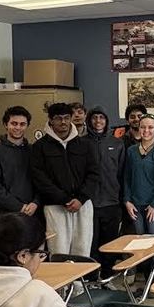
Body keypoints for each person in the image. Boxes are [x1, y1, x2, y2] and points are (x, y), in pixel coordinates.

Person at [30, 102, 99, 256]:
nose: (63, 122)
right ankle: (63, 281)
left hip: (83, 204)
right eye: (58, 118)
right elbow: (40, 178)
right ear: (50, 120)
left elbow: (94, 173)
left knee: (82, 249)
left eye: (67, 118)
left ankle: (79, 280)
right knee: (59, 250)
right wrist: (64, 199)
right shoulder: (40, 147)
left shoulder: (85, 145)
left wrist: (80, 199)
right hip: (56, 206)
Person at [124, 114, 154, 275]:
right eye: (143, 127)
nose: (146, 130)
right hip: (136, 204)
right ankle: (145, 278)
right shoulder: (131, 151)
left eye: (150, 127)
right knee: (141, 243)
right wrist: (127, 201)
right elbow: (126, 177)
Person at [85, 105, 125, 274]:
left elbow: (122, 172)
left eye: (101, 117)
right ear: (89, 120)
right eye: (94, 117)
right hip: (89, 203)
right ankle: (92, 277)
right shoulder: (81, 143)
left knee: (109, 242)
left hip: (112, 201)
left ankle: (108, 275)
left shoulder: (117, 143)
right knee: (90, 242)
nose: (98, 121)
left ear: (106, 121)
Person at [0, 105, 39, 219]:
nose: (18, 127)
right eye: (14, 123)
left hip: (34, 212)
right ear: (5, 124)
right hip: (5, 215)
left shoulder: (35, 151)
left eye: (22, 124)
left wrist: (36, 203)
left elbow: (42, 181)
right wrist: (19, 207)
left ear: (27, 125)